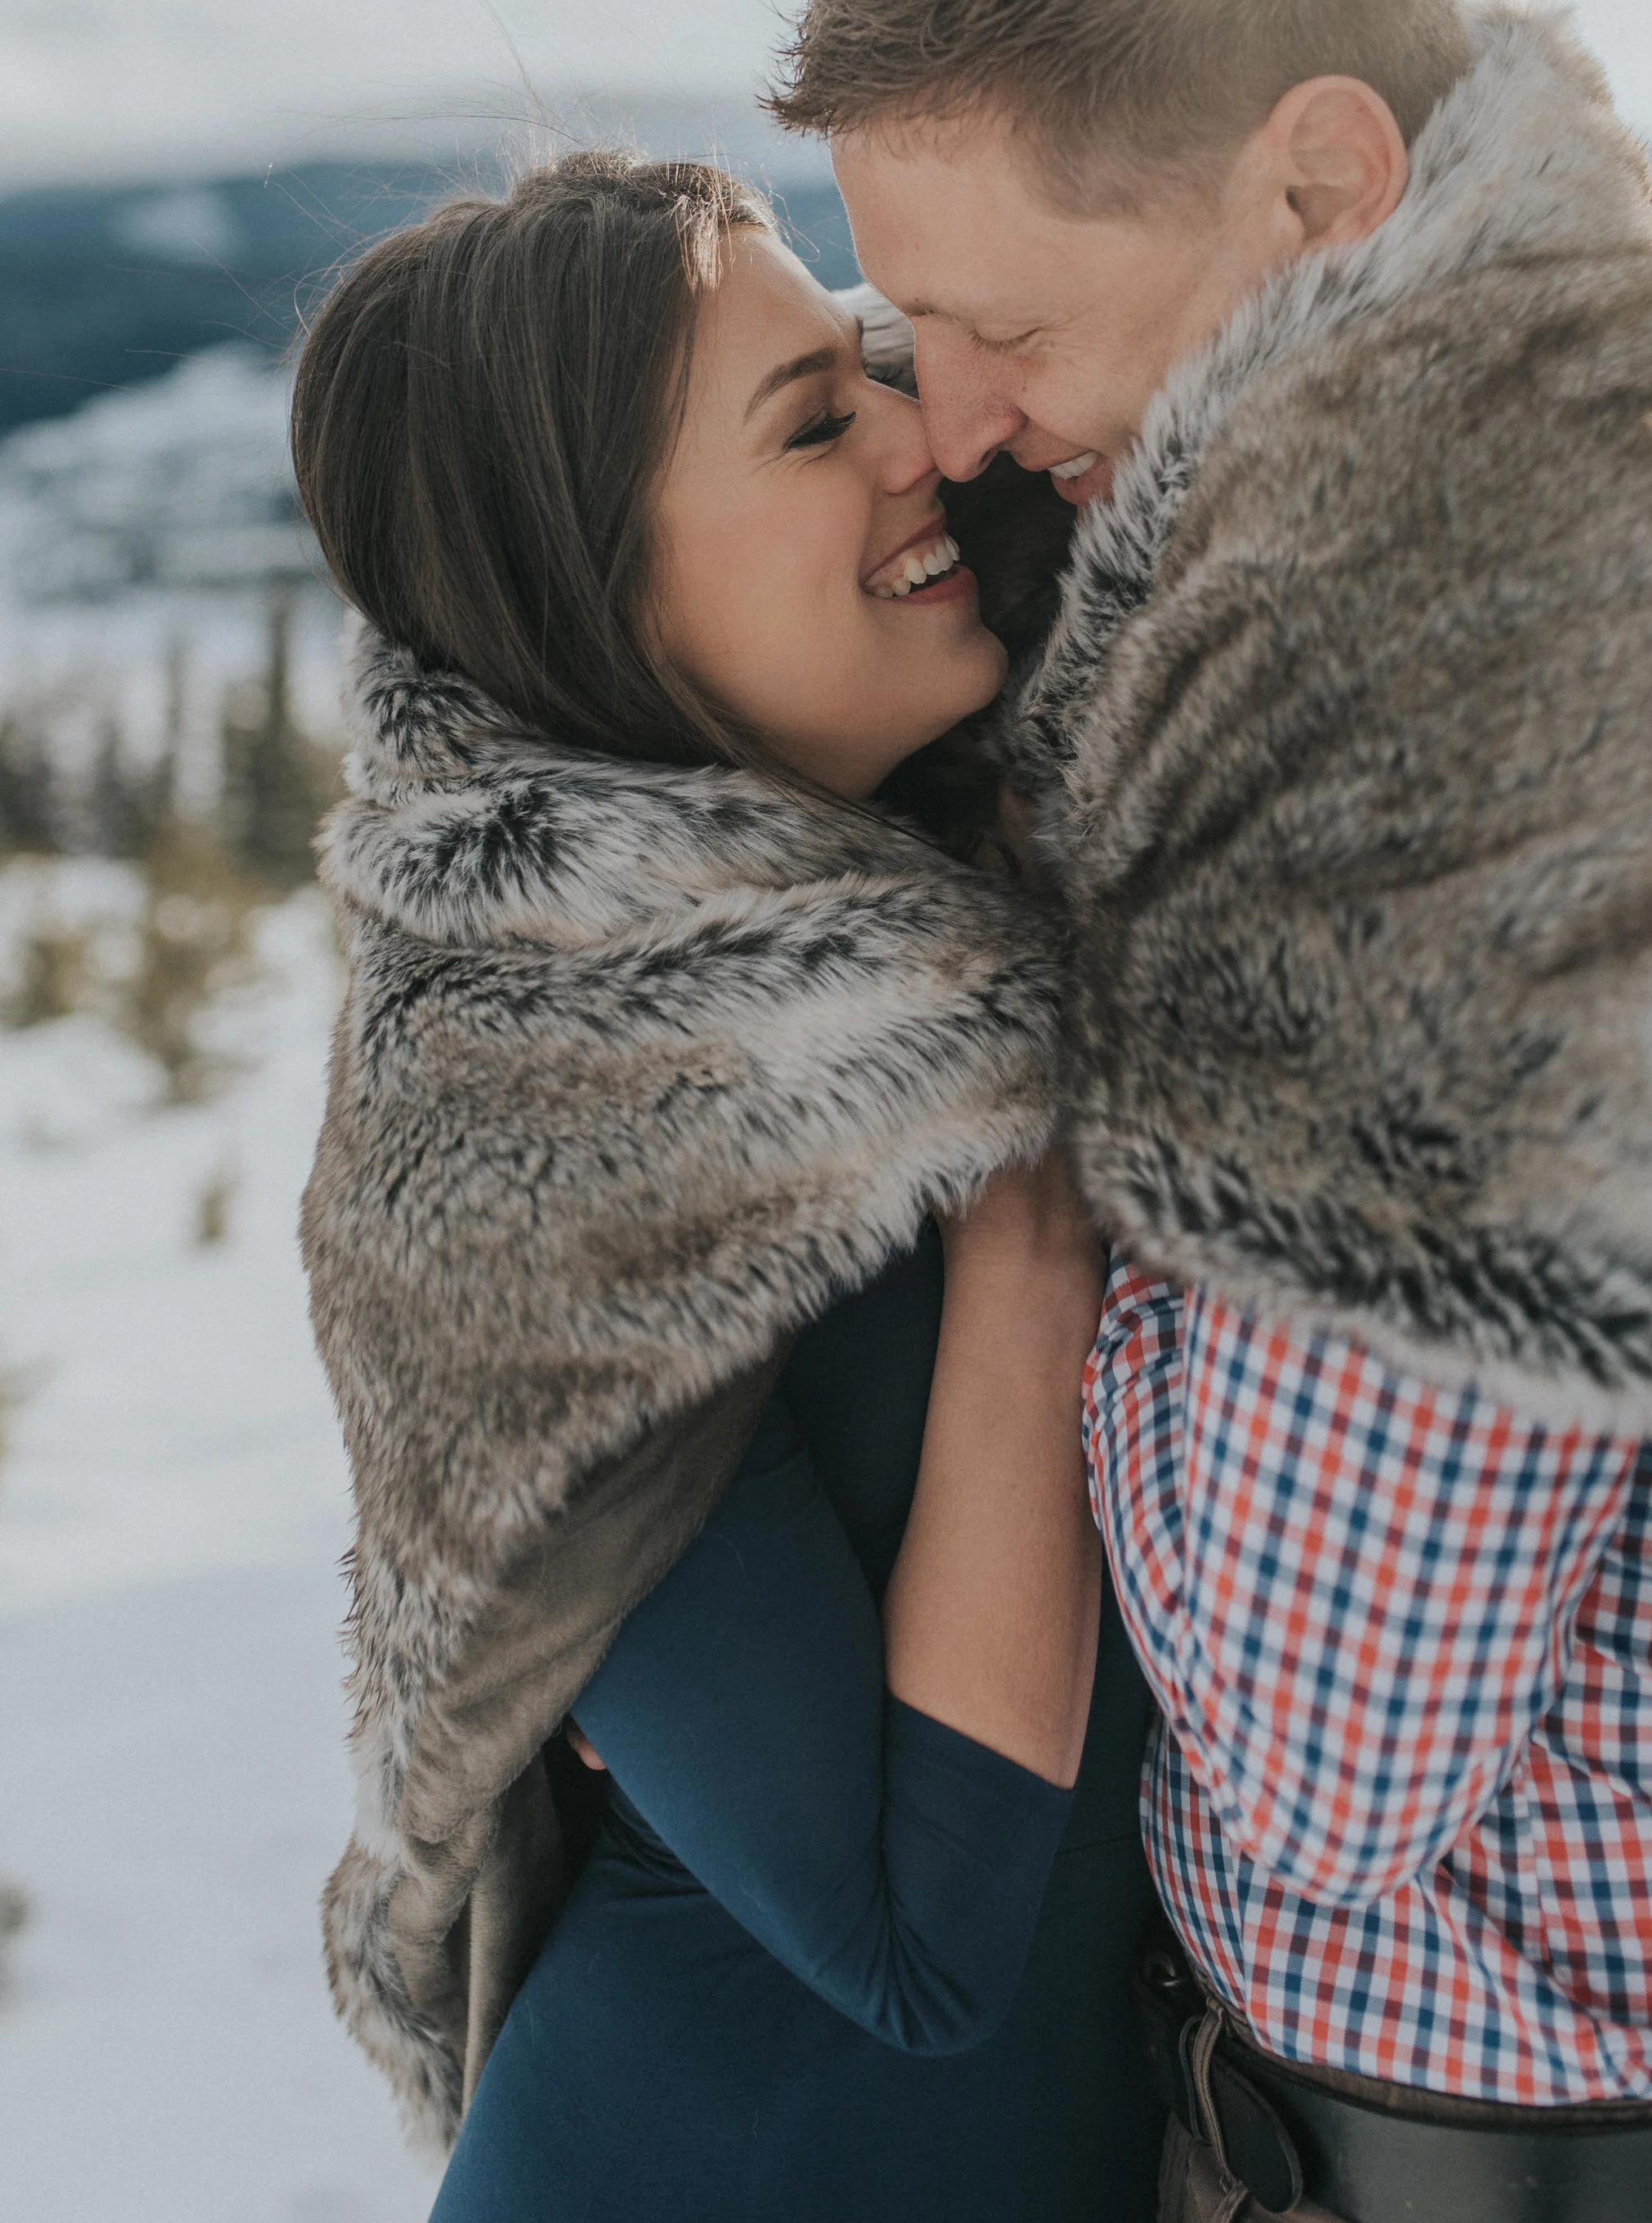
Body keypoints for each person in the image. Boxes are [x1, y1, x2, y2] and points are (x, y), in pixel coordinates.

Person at [770, 0, 1652, 2223]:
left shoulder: (1455, 705)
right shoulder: (1446, 546)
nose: (957, 421)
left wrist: (1060, 1233)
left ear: (1320, 180)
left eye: (997, 321)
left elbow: (1321, 1757)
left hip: (1642, 2171)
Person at [290, 153, 1163, 2223]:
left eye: (872, 362)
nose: (919, 437)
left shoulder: (974, 882)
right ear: (599, 599)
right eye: (810, 420)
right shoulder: (542, 1138)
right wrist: (1029, 1229)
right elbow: (909, 1938)